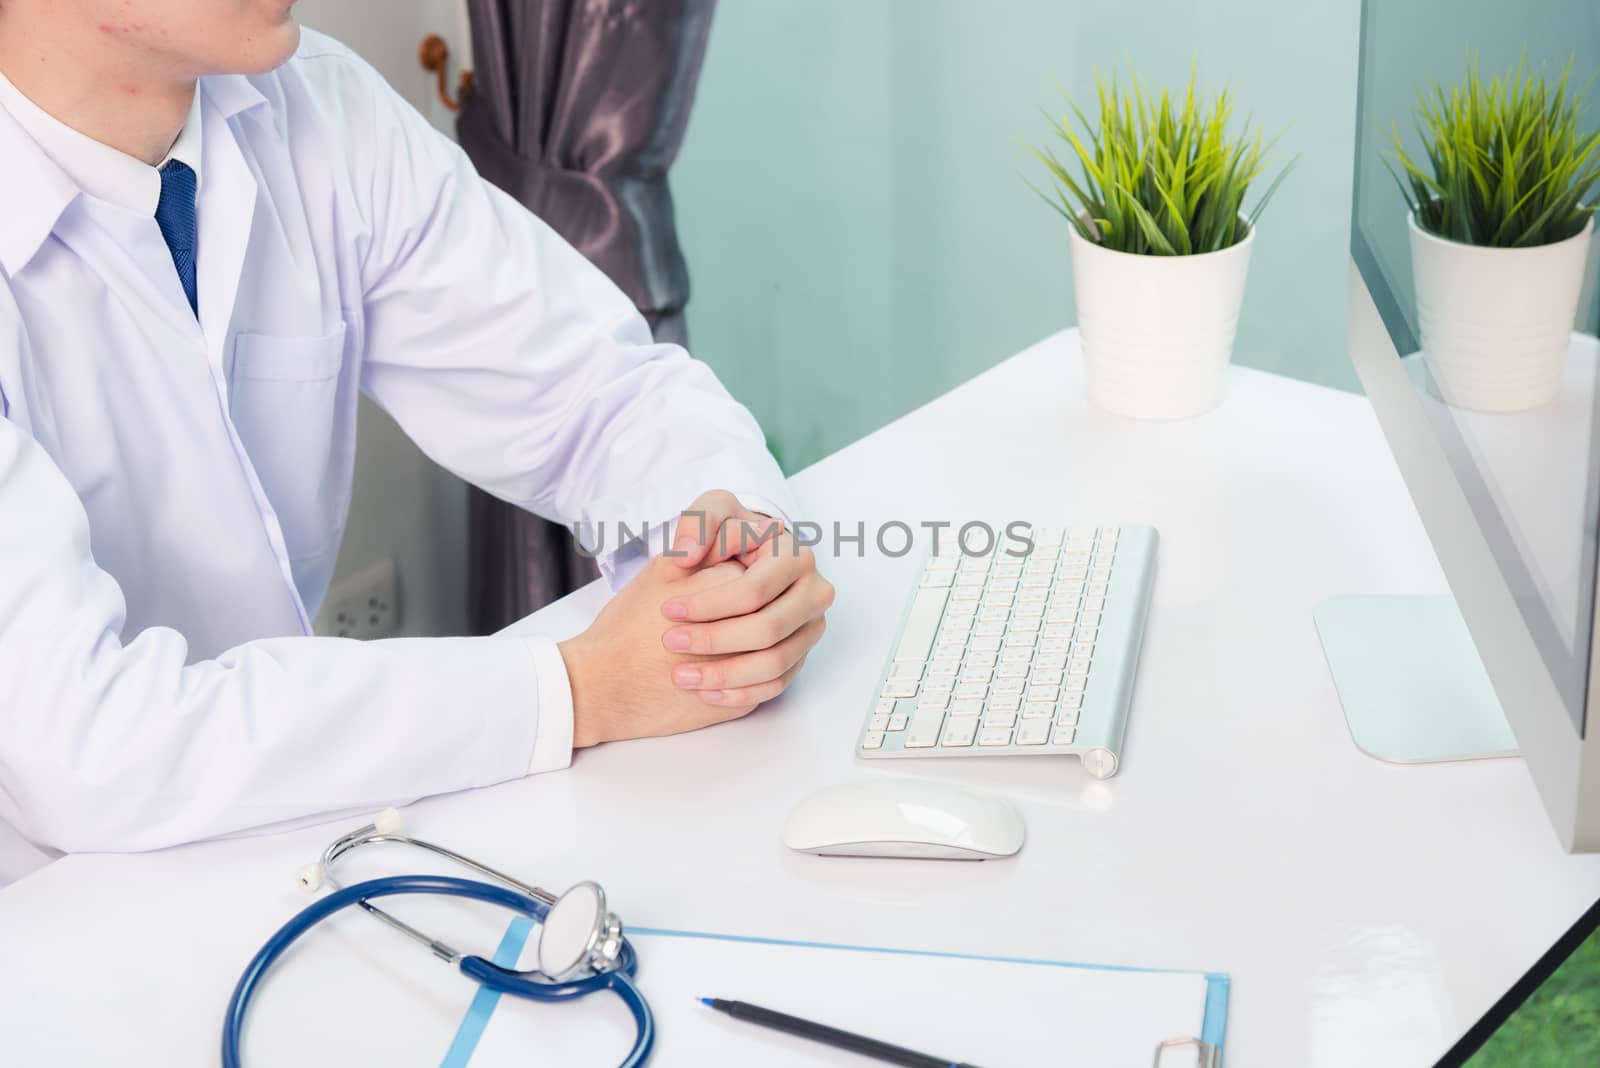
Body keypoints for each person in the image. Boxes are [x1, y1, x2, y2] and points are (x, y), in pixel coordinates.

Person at [0, 0, 834, 883]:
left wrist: (720, 559)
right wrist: (575, 689)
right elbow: (85, 749)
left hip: (299, 834)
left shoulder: (315, 107)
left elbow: (600, 392)